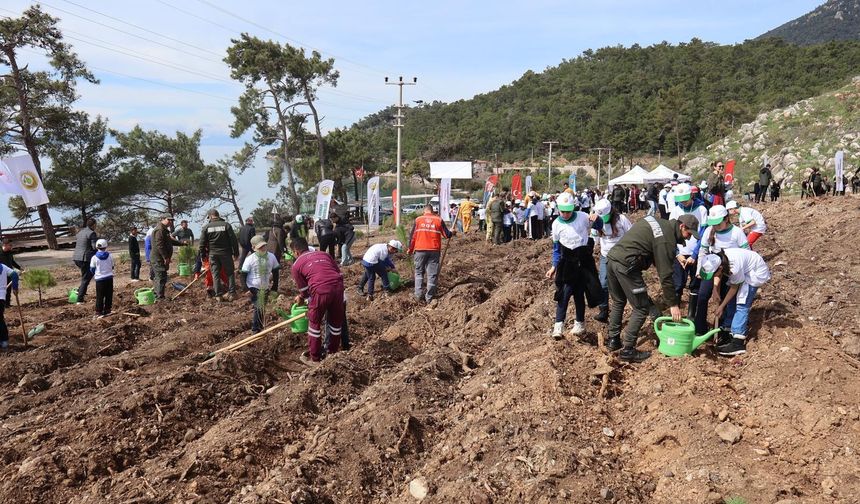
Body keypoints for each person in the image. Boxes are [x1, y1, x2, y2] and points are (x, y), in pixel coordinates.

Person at [606, 213, 701, 362]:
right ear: (682, 226)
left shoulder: (658, 222)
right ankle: (628, 349)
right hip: (627, 265)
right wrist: (673, 305)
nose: (688, 238)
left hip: (612, 260)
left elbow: (651, 249)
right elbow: (665, 276)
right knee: (641, 308)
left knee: (619, 301)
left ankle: (613, 340)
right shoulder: (666, 239)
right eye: (688, 234)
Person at [704, 248, 771, 356]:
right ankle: (728, 332)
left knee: (742, 304)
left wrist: (721, 306)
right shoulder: (718, 258)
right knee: (732, 302)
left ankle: (737, 342)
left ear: (720, 268)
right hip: (745, 270)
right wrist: (715, 290)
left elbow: (734, 288)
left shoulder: (734, 267)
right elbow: (718, 275)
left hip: (755, 273)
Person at [693, 205, 749, 336]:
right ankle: (699, 328)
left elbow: (746, 253)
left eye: (718, 223)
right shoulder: (708, 231)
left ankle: (722, 330)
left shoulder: (737, 232)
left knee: (725, 299)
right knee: (702, 295)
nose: (716, 227)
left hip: (731, 271)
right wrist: (699, 270)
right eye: (713, 224)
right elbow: (703, 251)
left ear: (726, 219)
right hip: (712, 269)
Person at [546, 192, 595, 339]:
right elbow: (556, 249)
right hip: (566, 263)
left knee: (580, 294)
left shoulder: (582, 217)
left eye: (568, 211)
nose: (566, 214)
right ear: (558, 210)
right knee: (563, 294)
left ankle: (579, 324)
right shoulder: (556, 224)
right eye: (563, 211)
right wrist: (554, 266)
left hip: (582, 260)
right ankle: (558, 326)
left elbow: (598, 226)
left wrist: (596, 218)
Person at [289, 237, 345, 364]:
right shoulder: (324, 254)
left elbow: (304, 289)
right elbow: (339, 273)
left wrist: (302, 298)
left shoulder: (296, 265)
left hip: (320, 291)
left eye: (293, 253)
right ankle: (332, 353)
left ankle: (315, 358)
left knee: (314, 323)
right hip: (338, 288)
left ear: (296, 252)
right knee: (335, 323)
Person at [668, 183, 708, 321]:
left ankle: (691, 316)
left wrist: (695, 255)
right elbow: (671, 233)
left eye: (685, 199)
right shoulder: (675, 211)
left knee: (695, 284)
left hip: (695, 252)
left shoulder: (701, 209)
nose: (683, 203)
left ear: (691, 195)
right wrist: (677, 254)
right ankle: (676, 316)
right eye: (681, 200)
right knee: (678, 284)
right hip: (680, 252)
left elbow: (703, 233)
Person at [591, 199, 632, 324]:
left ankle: (627, 307)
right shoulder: (597, 222)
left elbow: (632, 234)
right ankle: (603, 310)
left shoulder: (621, 219)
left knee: (623, 284)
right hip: (605, 256)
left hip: (621, 257)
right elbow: (594, 239)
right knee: (603, 283)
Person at [409, 204, 454, 304]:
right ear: (432, 211)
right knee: (432, 275)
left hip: (420, 250)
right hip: (434, 250)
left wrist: (410, 249)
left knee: (419, 273)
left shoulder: (418, 220)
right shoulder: (438, 220)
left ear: (424, 211)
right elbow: (447, 235)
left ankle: (418, 295)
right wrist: (452, 232)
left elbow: (412, 237)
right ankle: (429, 298)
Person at [241, 235, 280, 333]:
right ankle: (255, 329)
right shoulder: (250, 259)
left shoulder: (271, 256)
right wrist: (246, 289)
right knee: (259, 305)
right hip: (253, 286)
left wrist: (274, 287)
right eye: (260, 247)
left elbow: (276, 273)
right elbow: (243, 275)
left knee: (262, 306)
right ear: (254, 248)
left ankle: (260, 326)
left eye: (264, 246)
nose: (263, 249)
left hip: (265, 286)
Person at [199, 209, 239, 301]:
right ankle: (232, 294)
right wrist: (236, 253)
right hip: (226, 253)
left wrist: (203, 255)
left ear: (210, 216)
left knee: (215, 274)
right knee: (230, 273)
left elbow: (202, 243)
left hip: (213, 254)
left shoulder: (206, 227)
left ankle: (218, 295)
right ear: (218, 215)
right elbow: (234, 240)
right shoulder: (226, 225)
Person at [152, 214, 185, 300]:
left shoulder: (164, 230)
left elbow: (170, 241)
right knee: (160, 276)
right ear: (162, 219)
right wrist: (165, 257)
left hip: (161, 258)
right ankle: (159, 298)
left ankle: (158, 295)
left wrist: (182, 244)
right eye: (168, 220)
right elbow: (160, 245)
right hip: (159, 258)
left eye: (172, 220)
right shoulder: (159, 230)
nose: (170, 222)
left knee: (161, 276)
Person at [72, 218, 98, 305]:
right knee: (86, 278)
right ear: (93, 225)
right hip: (85, 258)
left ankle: (80, 290)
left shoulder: (80, 232)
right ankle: (79, 299)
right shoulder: (92, 233)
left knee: (86, 275)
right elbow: (95, 247)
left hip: (76, 258)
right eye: (95, 225)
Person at [89, 239, 114, 318]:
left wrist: (96, 274)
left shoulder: (94, 258)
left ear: (96, 247)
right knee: (109, 294)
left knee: (100, 296)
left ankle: (98, 311)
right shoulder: (110, 256)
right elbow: (112, 266)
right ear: (106, 246)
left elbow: (92, 269)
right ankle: (107, 309)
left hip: (100, 279)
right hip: (109, 277)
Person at [0, 263, 19, 350]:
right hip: (2, 298)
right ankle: (4, 342)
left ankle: (4, 342)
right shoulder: (3, 267)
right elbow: (14, 274)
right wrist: (15, 288)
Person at [0, 239, 23, 307]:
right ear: (5, 245)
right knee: (3, 290)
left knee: (9, 290)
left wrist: (20, 268)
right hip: (2, 275)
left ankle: (7, 304)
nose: (11, 246)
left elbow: (12, 262)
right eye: (10, 245)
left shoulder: (10, 253)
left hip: (9, 273)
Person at [237, 217, 256, 288]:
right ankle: (255, 265)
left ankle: (239, 268)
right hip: (250, 244)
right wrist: (254, 245)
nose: (253, 222)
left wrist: (241, 244)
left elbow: (239, 237)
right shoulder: (252, 228)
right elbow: (253, 238)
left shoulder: (242, 228)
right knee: (255, 255)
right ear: (249, 221)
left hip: (243, 244)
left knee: (243, 256)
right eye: (252, 221)